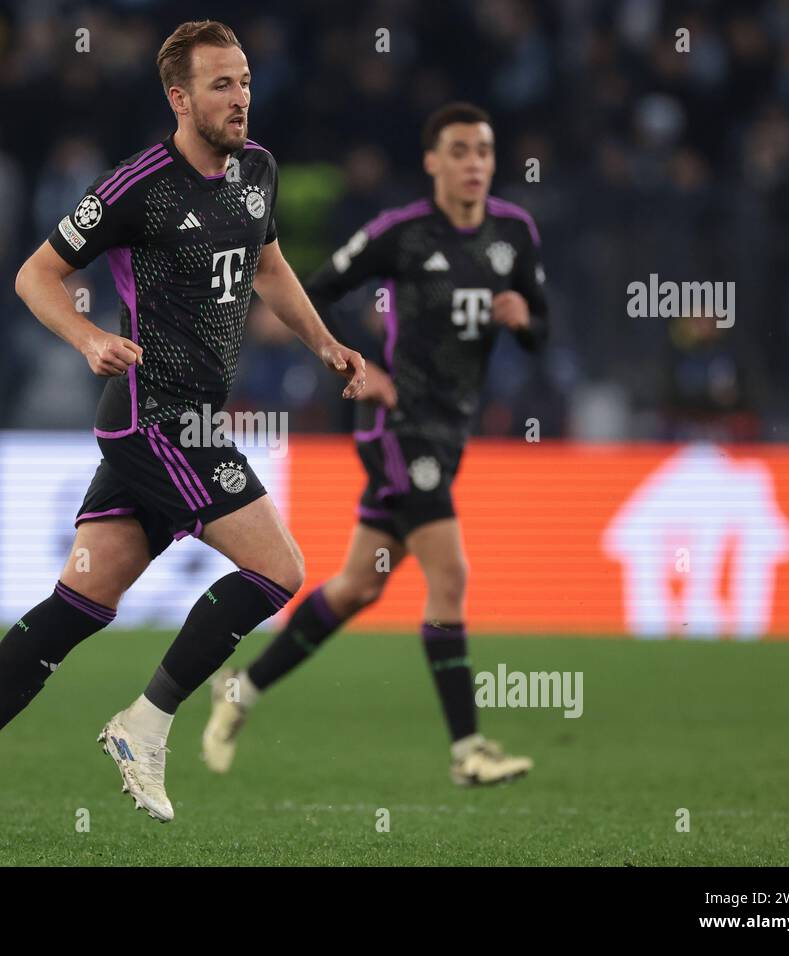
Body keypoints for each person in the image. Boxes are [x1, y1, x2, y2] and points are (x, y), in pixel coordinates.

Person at [0, 19, 366, 844]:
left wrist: (323, 340)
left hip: (190, 422)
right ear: (178, 98)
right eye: (221, 84)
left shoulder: (256, 173)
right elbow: (35, 273)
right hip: (155, 422)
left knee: (80, 604)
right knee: (278, 567)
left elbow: (267, 265)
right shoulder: (136, 187)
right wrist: (87, 339)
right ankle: (146, 724)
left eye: (245, 80)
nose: (241, 97)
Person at [203, 103, 546, 787]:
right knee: (450, 575)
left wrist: (524, 319)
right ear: (433, 162)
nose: (474, 163)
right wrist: (361, 361)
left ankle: (241, 689)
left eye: (483, 150)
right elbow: (316, 289)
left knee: (361, 585)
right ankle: (468, 750)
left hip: (449, 431)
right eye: (459, 150)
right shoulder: (401, 234)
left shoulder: (515, 233)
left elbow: (543, 335)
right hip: (394, 426)